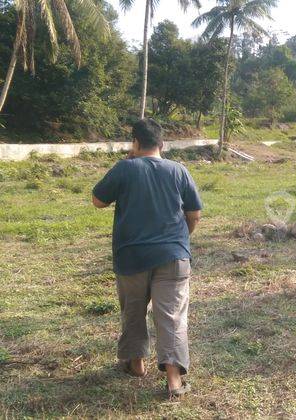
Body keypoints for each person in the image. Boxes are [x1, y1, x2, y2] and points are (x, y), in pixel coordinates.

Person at [91, 119, 202, 398]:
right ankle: (174, 381)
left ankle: (137, 364)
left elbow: (98, 200)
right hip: (174, 256)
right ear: (162, 144)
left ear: (135, 143)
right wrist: (178, 241)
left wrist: (129, 161)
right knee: (172, 316)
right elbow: (194, 214)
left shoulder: (124, 168)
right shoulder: (179, 170)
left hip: (132, 257)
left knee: (133, 310)